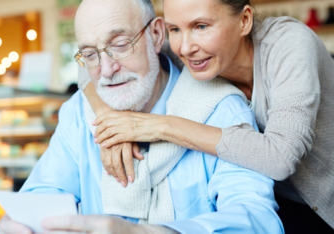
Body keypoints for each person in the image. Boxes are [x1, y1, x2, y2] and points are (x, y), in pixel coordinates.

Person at [0, 0, 284, 233]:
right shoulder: (79, 113)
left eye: (121, 44)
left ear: (157, 35)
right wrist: (20, 221)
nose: (107, 69)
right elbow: (42, 196)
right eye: (90, 54)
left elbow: (258, 221)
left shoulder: (222, 109)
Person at [81, 0, 334, 233]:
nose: (185, 47)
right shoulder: (190, 53)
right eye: (174, 29)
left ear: (244, 20)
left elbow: (281, 157)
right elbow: (87, 71)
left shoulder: (289, 44)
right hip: (278, 203)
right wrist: (112, 123)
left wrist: (160, 126)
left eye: (201, 26)